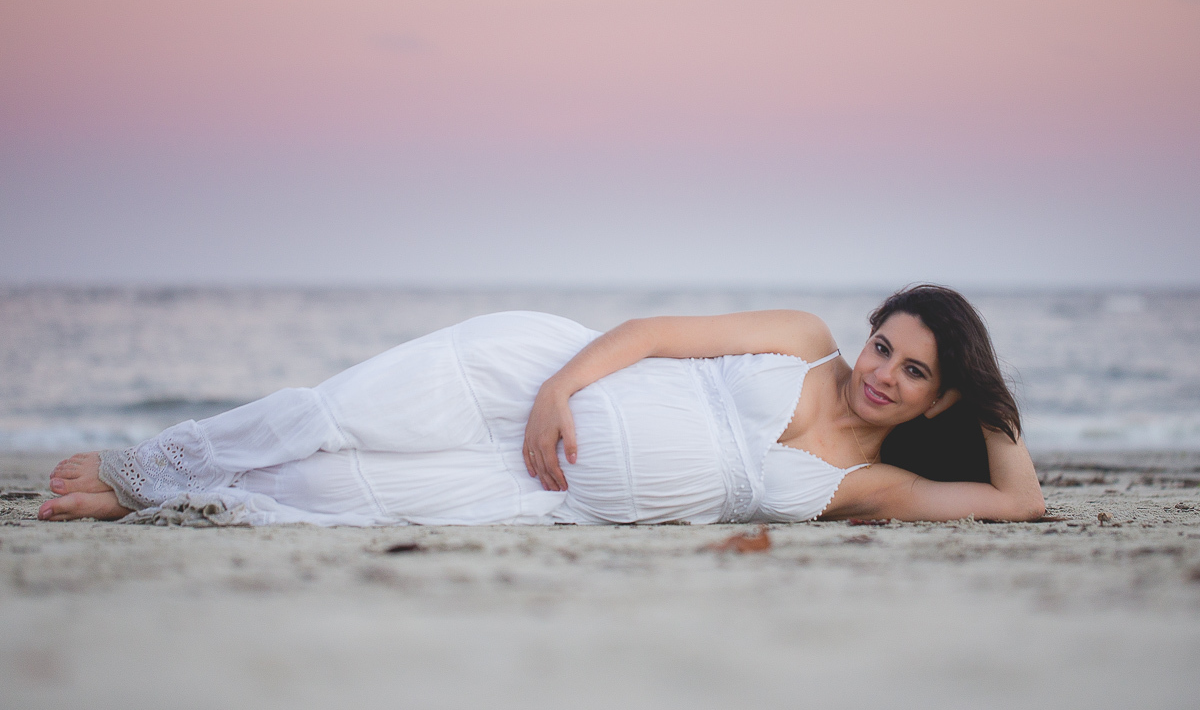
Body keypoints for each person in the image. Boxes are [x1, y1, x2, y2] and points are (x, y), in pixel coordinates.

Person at [38, 285, 1045, 526]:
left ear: (935, 398)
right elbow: (652, 336)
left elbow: (1019, 506)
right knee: (347, 408)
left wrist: (990, 399)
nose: (883, 371)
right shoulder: (798, 338)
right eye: (887, 344)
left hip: (543, 493)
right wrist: (560, 388)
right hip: (535, 377)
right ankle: (149, 466)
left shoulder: (868, 484)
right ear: (864, 333)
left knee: (345, 489)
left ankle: (168, 496)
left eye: (915, 371)